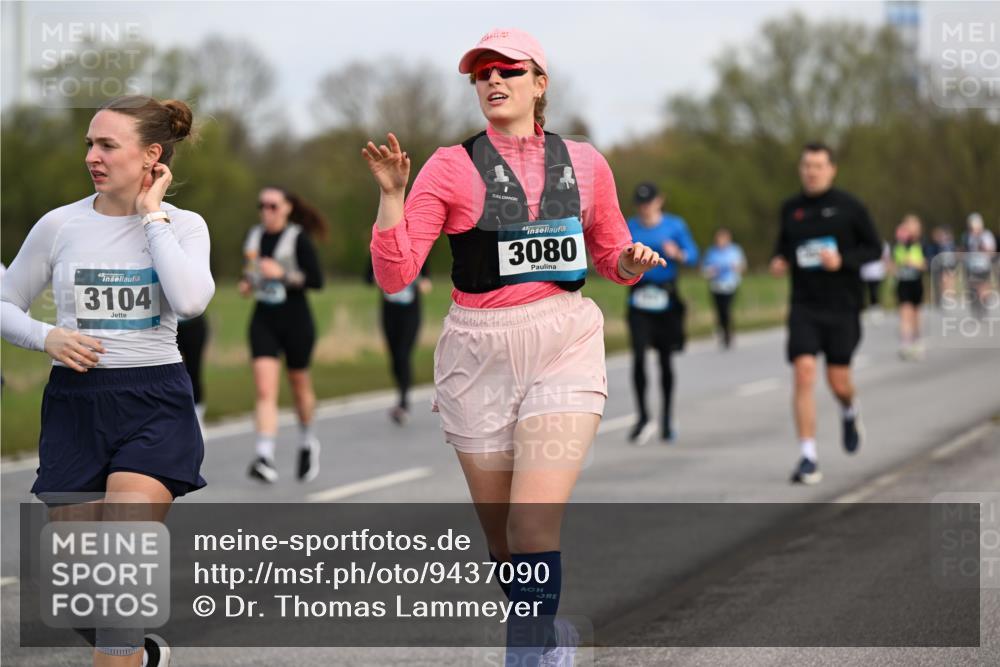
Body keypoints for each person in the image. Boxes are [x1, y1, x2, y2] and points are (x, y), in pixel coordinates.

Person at [363, 27, 666, 664]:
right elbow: (395, 274)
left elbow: (609, 253)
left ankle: (526, 655)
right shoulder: (451, 165)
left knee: (532, 523)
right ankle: (545, 630)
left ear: (539, 83)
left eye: (508, 70)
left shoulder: (585, 163)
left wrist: (632, 260)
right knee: (505, 540)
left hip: (563, 339)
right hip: (477, 351)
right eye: (482, 74)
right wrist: (392, 198)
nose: (494, 81)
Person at [0, 95, 213, 666]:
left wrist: (152, 216)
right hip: (75, 406)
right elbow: (5, 300)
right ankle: (138, 656)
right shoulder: (61, 224)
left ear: (151, 156)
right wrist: (44, 337)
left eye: (107, 145)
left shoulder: (184, 226)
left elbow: (191, 300)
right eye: (89, 144)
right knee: (75, 598)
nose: (92, 156)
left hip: (153, 403)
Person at [769, 141, 882, 485]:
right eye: (806, 166)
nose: (811, 172)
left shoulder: (850, 207)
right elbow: (783, 249)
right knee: (803, 373)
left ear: (832, 169)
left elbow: (875, 249)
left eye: (818, 166)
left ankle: (849, 409)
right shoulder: (791, 209)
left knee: (839, 382)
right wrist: (779, 261)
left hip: (843, 306)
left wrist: (842, 261)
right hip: (805, 305)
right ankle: (808, 456)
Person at [240, 187, 327, 484]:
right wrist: (247, 283)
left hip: (296, 320)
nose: (266, 210)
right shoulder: (253, 236)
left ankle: (307, 442)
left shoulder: (297, 238)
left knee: (299, 385)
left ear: (287, 208)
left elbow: (316, 281)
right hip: (263, 319)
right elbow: (251, 272)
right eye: (262, 205)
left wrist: (283, 275)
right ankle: (264, 457)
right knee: (265, 390)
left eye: (273, 205)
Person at [625, 182, 698, 445]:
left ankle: (667, 418)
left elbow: (692, 255)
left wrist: (678, 253)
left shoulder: (675, 225)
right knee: (639, 355)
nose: (645, 207)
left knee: (666, 359)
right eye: (640, 202)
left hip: (666, 298)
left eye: (649, 201)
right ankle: (643, 416)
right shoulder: (629, 226)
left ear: (660, 200)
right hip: (639, 296)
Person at [366, 261, 432, 425]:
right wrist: (381, 277)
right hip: (389, 312)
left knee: (403, 354)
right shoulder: (380, 246)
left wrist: (423, 283)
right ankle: (401, 393)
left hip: (410, 312)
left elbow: (426, 281)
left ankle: (403, 402)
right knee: (395, 357)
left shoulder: (418, 246)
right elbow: (367, 277)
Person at [701, 226, 746, 349]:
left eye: (723, 239)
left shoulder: (735, 251)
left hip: (730, 285)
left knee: (726, 309)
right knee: (719, 310)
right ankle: (722, 331)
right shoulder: (711, 252)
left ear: (728, 239)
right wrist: (710, 272)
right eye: (718, 239)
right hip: (716, 285)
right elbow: (705, 270)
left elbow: (742, 267)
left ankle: (728, 333)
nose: (720, 241)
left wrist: (736, 268)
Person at [892, 215, 927, 360]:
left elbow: (926, 265)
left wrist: (915, 263)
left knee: (916, 314)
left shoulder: (922, 244)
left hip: (916, 283)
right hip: (903, 283)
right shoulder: (899, 245)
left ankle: (917, 341)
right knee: (905, 313)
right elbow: (893, 264)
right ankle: (905, 343)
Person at [960, 212, 997, 319]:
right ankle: (976, 306)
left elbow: (992, 251)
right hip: (970, 266)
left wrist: (983, 247)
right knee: (972, 288)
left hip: (983, 265)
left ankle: (984, 306)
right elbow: (963, 249)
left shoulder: (986, 235)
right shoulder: (966, 236)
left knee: (983, 288)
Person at [176, 313, 209, 431]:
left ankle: (198, 418)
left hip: (193, 323)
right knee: (171, 374)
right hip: (167, 326)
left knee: (194, 372)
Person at [926, 226, 958, 308]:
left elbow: (954, 252)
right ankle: (945, 296)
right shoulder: (939, 244)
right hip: (943, 263)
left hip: (950, 263)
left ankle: (950, 296)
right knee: (943, 279)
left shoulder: (950, 243)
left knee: (950, 279)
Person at [859, 241, 889, 314]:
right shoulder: (861, 243)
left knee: (874, 291)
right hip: (864, 272)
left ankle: (875, 307)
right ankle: (863, 307)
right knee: (863, 291)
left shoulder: (882, 244)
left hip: (876, 272)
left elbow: (885, 257)